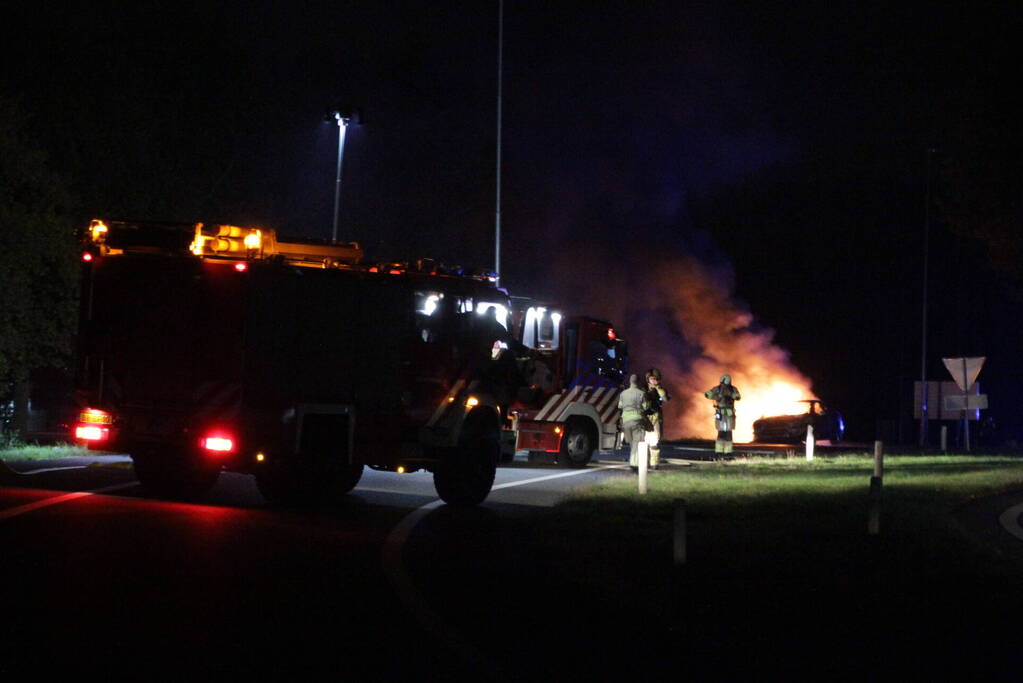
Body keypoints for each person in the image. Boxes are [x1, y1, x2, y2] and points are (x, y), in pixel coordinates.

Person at [618, 374, 651, 471]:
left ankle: (634, 462)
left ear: (630, 381)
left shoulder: (623, 393)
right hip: (637, 420)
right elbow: (646, 407)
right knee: (637, 443)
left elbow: (620, 406)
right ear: (639, 382)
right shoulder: (641, 393)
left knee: (632, 444)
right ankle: (634, 465)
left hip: (626, 421)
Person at [704, 374, 741, 455]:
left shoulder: (733, 389)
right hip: (720, 412)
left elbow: (738, 396)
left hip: (729, 413)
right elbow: (708, 394)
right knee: (720, 431)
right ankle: (719, 450)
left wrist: (731, 395)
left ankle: (728, 451)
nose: (723, 385)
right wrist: (711, 395)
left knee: (728, 432)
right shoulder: (717, 388)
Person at [644, 368, 670, 469]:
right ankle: (644, 463)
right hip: (644, 417)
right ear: (648, 379)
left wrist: (658, 388)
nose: (654, 381)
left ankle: (654, 464)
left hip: (655, 418)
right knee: (643, 442)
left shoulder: (660, 389)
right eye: (652, 379)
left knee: (654, 442)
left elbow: (665, 399)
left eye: (656, 379)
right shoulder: (643, 389)